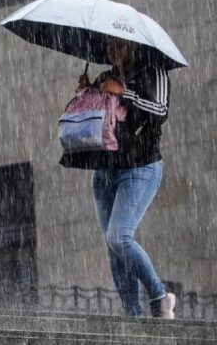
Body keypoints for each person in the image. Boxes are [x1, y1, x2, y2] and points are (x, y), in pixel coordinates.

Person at [77, 37, 176, 318]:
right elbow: (94, 118)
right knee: (113, 248)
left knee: (119, 237)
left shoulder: (154, 71)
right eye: (108, 45)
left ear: (133, 45)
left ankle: (159, 296)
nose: (112, 51)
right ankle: (132, 314)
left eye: (119, 45)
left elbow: (160, 111)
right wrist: (86, 93)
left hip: (141, 169)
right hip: (105, 170)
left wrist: (124, 92)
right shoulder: (105, 75)